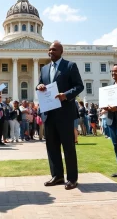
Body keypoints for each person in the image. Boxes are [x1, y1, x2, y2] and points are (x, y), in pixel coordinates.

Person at [37, 41, 84, 190]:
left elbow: (79, 86)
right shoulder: (44, 69)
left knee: (68, 147)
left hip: (64, 113)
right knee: (52, 147)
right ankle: (57, 176)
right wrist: (39, 87)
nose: (50, 52)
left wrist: (66, 95)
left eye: (54, 50)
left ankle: (72, 179)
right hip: (49, 114)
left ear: (61, 51)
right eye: (49, 50)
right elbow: (39, 85)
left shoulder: (70, 66)